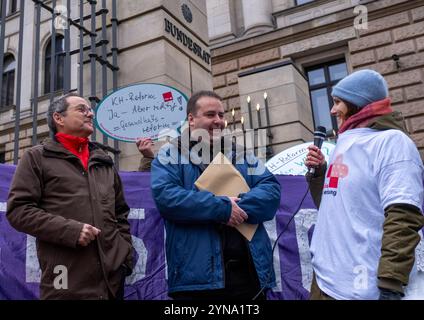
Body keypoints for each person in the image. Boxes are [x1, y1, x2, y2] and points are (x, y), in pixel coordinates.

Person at [305, 69, 424, 300]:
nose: (332, 110)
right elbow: (334, 206)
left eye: (337, 102)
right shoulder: (344, 142)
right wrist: (320, 173)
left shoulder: (392, 142)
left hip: (361, 290)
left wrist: (390, 284)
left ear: (357, 102)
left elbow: (404, 215)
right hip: (324, 283)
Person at [151, 90, 281, 300]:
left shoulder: (242, 154)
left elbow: (271, 191)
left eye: (221, 115)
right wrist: (221, 208)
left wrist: (235, 208)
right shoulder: (168, 155)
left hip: (249, 277)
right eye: (211, 115)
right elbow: (167, 198)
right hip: (198, 282)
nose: (219, 121)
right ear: (191, 120)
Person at [7, 93, 133, 300]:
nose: (90, 113)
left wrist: (123, 257)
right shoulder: (36, 157)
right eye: (82, 109)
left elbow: (121, 214)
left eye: (90, 110)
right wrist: (71, 231)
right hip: (64, 280)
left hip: (111, 281)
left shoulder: (104, 162)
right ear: (59, 118)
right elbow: (19, 210)